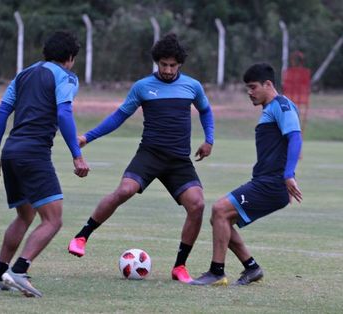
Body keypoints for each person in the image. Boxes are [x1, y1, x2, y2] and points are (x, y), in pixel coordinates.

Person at [67, 33, 215, 284]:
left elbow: (206, 110)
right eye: (163, 64)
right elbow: (118, 116)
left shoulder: (192, 86)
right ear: (156, 62)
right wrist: (87, 137)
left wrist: (209, 139)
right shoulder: (143, 86)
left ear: (180, 64)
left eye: (172, 65)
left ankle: (180, 266)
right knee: (125, 190)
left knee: (197, 205)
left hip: (178, 160)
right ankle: (82, 236)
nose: (168, 70)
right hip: (150, 154)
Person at [0, 31, 89, 297]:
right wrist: (77, 154)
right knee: (53, 219)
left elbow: (3, 110)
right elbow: (64, 112)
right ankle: (19, 270)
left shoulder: (23, 74)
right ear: (70, 58)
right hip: (33, 154)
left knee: (25, 215)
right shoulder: (65, 77)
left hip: (11, 151)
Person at [191, 63, 303, 286]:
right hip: (265, 180)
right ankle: (251, 268)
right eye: (247, 88)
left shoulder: (282, 106)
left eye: (253, 87)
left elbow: (296, 137)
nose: (249, 92)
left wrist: (288, 174)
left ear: (268, 84)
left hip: (272, 183)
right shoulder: (271, 109)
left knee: (220, 209)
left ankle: (216, 272)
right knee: (220, 218)